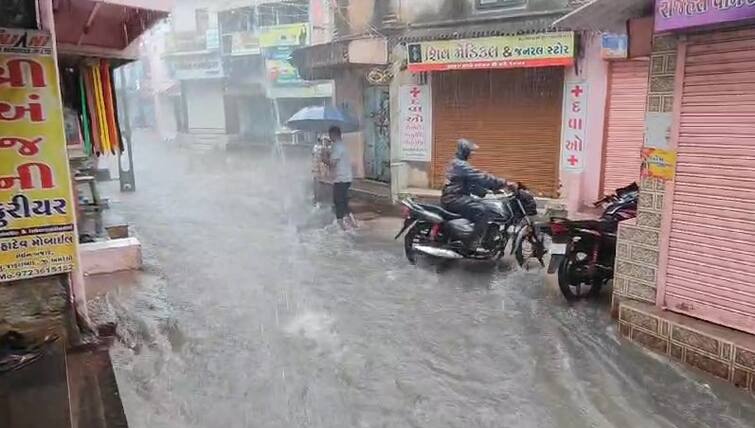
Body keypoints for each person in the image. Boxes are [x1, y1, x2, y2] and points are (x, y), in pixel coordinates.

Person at [441, 139, 514, 250]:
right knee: (483, 211)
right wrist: (504, 183)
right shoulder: (460, 165)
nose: (471, 154)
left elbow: (470, 184)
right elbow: (479, 176)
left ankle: (467, 234)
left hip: (455, 196)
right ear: (464, 151)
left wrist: (490, 190)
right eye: (470, 151)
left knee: (483, 205)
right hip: (454, 198)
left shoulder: (457, 163)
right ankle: (473, 242)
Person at [325, 126, 356, 229]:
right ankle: (352, 222)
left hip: (341, 178)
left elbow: (332, 164)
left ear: (334, 134)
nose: (330, 137)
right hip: (346, 178)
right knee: (344, 201)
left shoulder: (337, 146)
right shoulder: (342, 146)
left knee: (338, 201)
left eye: (330, 135)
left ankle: (341, 225)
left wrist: (323, 158)